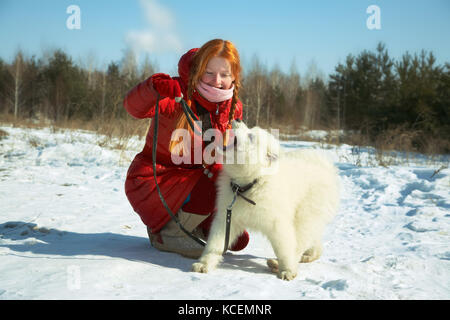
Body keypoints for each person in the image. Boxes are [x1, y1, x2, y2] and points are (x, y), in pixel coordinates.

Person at [123, 39, 250, 258]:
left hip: (194, 182)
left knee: (237, 238)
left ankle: (192, 225)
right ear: (198, 70)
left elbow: (224, 154)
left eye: (224, 74)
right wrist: (154, 88)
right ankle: (168, 233)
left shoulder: (231, 107)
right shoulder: (176, 91)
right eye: (209, 72)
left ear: (234, 77)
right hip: (154, 181)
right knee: (219, 179)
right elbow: (133, 107)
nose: (216, 81)